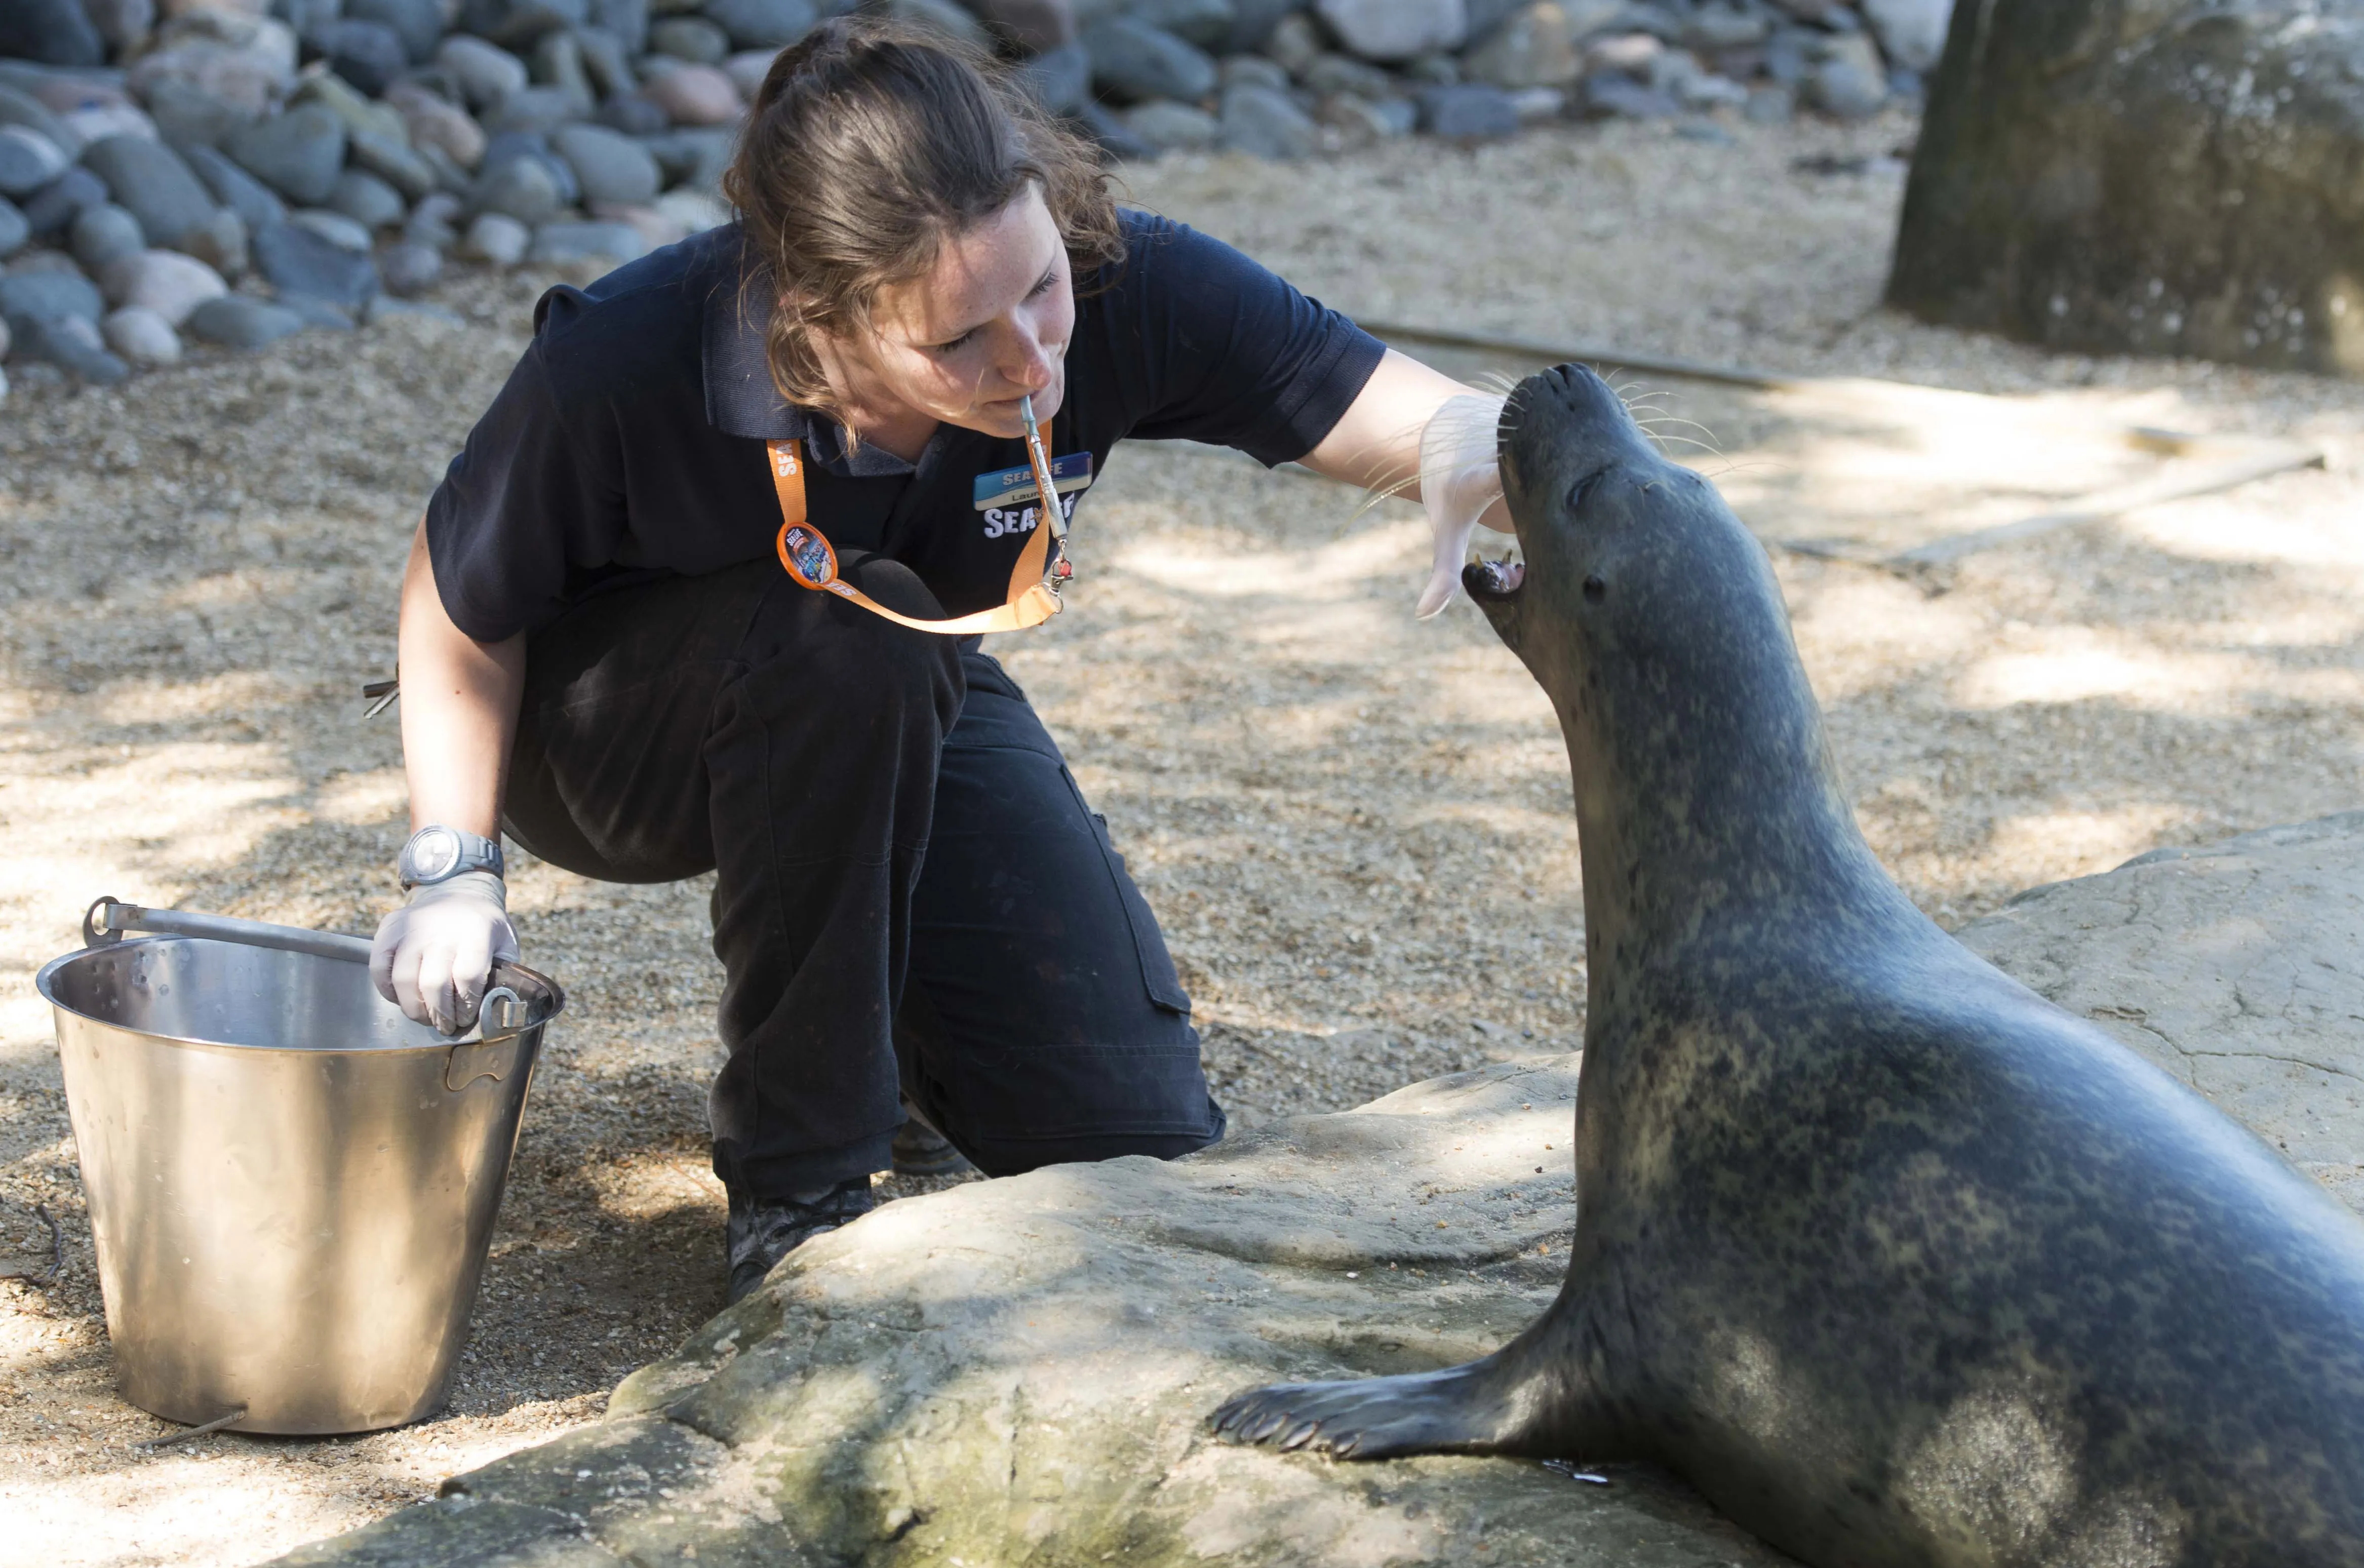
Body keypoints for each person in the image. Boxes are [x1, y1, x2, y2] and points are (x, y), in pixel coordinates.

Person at [371, 18, 1506, 1303]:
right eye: (958, 341)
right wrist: (453, 872)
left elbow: (1363, 397)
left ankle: (908, 1039)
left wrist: (1515, 453)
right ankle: (801, 1188)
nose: (1030, 362)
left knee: (1130, 1137)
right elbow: (456, 602)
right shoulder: (634, 358)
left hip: (892, 680)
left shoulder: (1114, 287)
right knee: (857, 625)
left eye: (1039, 289)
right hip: (604, 741)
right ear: (818, 319)